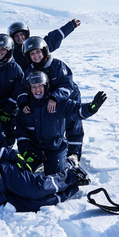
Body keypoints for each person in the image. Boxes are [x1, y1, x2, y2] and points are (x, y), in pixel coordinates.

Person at [16, 71, 107, 175]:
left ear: (46, 86)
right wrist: (26, 152)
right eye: (34, 87)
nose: (37, 90)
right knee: (21, 173)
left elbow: (77, 110)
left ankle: (68, 163)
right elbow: (21, 135)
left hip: (55, 149)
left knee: (57, 177)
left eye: (40, 86)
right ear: (29, 89)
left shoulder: (57, 103)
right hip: (34, 151)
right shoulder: (25, 108)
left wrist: (91, 108)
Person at [20, 36, 85, 164]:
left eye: (38, 51)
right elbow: (22, 89)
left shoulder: (58, 65)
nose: (36, 55)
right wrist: (23, 102)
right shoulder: (29, 71)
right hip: (47, 101)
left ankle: (73, 154)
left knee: (72, 124)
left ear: (44, 51)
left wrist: (55, 98)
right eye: (32, 53)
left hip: (68, 97)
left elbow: (67, 85)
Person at [7, 19, 81, 71]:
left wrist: (70, 26)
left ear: (26, 34)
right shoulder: (11, 53)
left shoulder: (36, 45)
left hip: (41, 81)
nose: (20, 37)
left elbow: (53, 38)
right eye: (16, 36)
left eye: (21, 34)